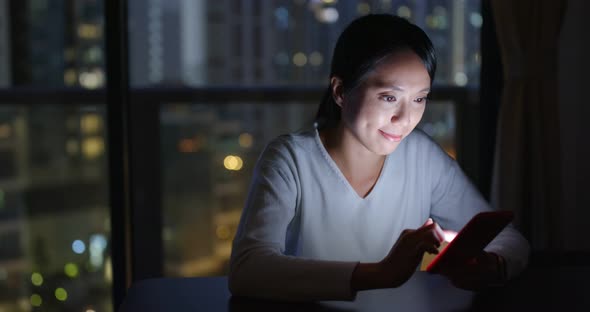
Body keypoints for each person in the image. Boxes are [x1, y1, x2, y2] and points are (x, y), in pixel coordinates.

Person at [228, 14, 529, 301]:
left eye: (419, 99)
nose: (405, 118)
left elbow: (509, 240)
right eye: (388, 97)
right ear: (341, 91)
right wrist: (379, 274)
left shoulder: (420, 155)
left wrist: (493, 266)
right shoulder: (291, 160)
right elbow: (248, 270)